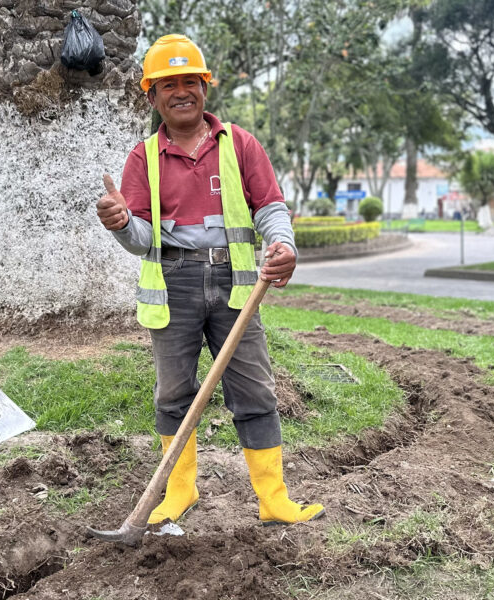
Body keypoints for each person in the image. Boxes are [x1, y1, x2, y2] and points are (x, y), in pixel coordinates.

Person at [96, 34, 323, 526]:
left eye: (190, 82)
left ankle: (273, 499)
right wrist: (119, 222)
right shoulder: (143, 158)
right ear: (152, 97)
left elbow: (270, 208)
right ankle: (178, 492)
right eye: (168, 84)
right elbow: (140, 238)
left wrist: (283, 245)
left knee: (255, 391)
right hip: (172, 287)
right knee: (173, 395)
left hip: (235, 285)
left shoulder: (239, 144)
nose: (181, 91)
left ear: (205, 88)